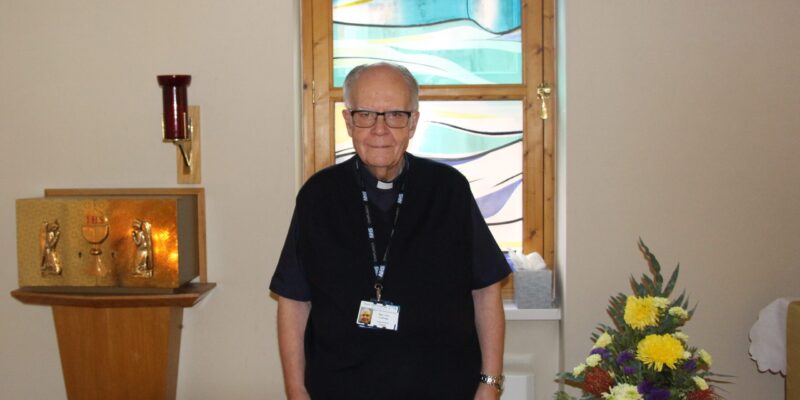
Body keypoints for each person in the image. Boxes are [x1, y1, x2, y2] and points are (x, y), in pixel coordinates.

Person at [270, 62, 510, 399]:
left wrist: (489, 385)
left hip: (442, 386)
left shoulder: (448, 189)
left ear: (413, 122)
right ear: (348, 121)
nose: (379, 129)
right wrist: (296, 390)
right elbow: (294, 301)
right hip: (340, 387)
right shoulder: (318, 196)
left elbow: (486, 291)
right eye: (366, 114)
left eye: (395, 114)